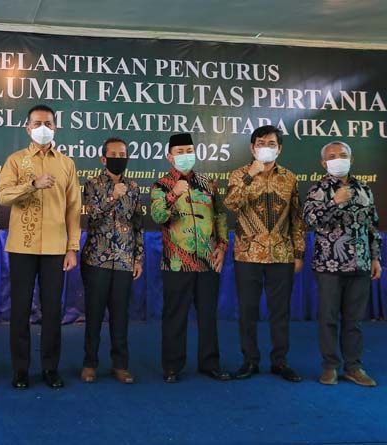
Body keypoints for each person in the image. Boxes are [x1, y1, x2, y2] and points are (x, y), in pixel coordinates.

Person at [0, 104, 81, 389]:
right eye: (37, 123)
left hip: (56, 249)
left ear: (55, 127)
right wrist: (32, 184)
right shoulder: (15, 161)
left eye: (48, 123)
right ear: (27, 128)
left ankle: (50, 368)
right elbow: (3, 196)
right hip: (22, 246)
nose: (43, 128)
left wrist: (72, 247)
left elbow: (74, 208)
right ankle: (20, 369)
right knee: (20, 310)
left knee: (53, 311)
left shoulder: (66, 163)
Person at [224, 125, 306, 383]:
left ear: (279, 149)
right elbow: (231, 204)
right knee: (247, 311)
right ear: (252, 147)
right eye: (261, 143)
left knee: (280, 312)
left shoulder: (290, 178)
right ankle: (250, 361)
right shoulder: (239, 174)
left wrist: (299, 252)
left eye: (272, 144)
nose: (266, 148)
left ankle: (280, 361)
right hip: (247, 255)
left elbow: (297, 218)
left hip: (282, 255)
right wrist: (251, 175)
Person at [150, 133, 232, 383]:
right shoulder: (161, 185)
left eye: (189, 150)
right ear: (170, 156)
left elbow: (220, 216)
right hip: (176, 263)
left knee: (208, 316)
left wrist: (222, 246)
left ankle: (210, 363)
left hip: (207, 260)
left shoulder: (208, 183)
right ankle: (172, 366)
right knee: (175, 316)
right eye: (180, 151)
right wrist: (173, 194)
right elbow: (158, 216)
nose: (185, 155)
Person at [303, 141, 381, 387]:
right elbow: (310, 220)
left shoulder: (364, 189)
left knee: (354, 321)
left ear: (351, 159)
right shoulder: (318, 189)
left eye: (343, 155)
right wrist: (333, 202)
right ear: (323, 163)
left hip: (360, 264)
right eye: (332, 156)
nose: (338, 159)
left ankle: (353, 367)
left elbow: (372, 226)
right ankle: (330, 367)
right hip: (329, 266)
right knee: (328, 319)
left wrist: (375, 257)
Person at [80, 137, 143, 384]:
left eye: (122, 155)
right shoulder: (92, 184)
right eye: (113, 155)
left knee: (120, 315)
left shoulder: (134, 187)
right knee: (94, 314)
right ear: (103, 159)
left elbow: (138, 224)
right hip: (97, 259)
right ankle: (90, 363)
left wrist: (138, 258)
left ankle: (120, 365)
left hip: (125, 260)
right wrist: (113, 197)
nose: (119, 159)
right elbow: (92, 218)